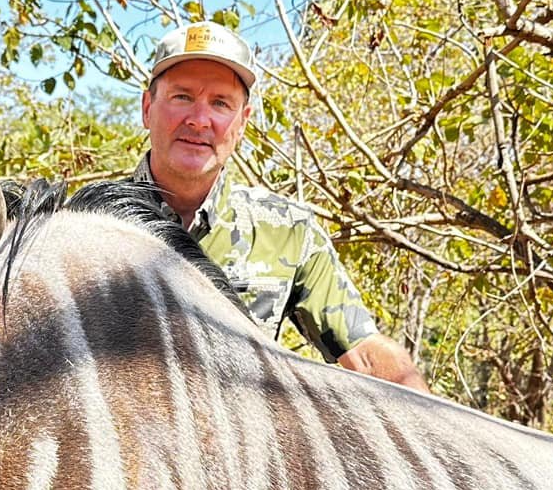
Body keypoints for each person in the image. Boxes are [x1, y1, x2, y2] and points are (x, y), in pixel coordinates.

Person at [135, 20, 431, 392]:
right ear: (148, 108)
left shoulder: (287, 230)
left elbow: (364, 353)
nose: (199, 119)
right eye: (182, 97)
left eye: (220, 103)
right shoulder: (89, 224)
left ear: (241, 123)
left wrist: (441, 430)